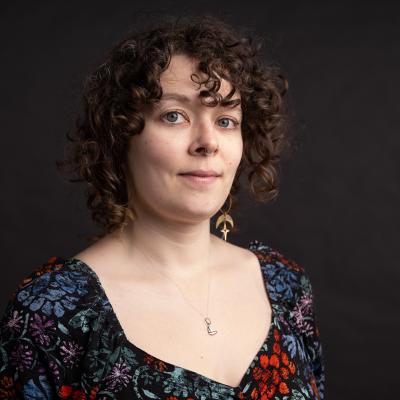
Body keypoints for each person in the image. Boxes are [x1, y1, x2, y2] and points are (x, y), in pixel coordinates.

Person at [0, 15, 325, 399]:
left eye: (225, 120)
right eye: (175, 116)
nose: (208, 143)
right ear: (120, 136)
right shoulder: (51, 312)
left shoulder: (286, 286)